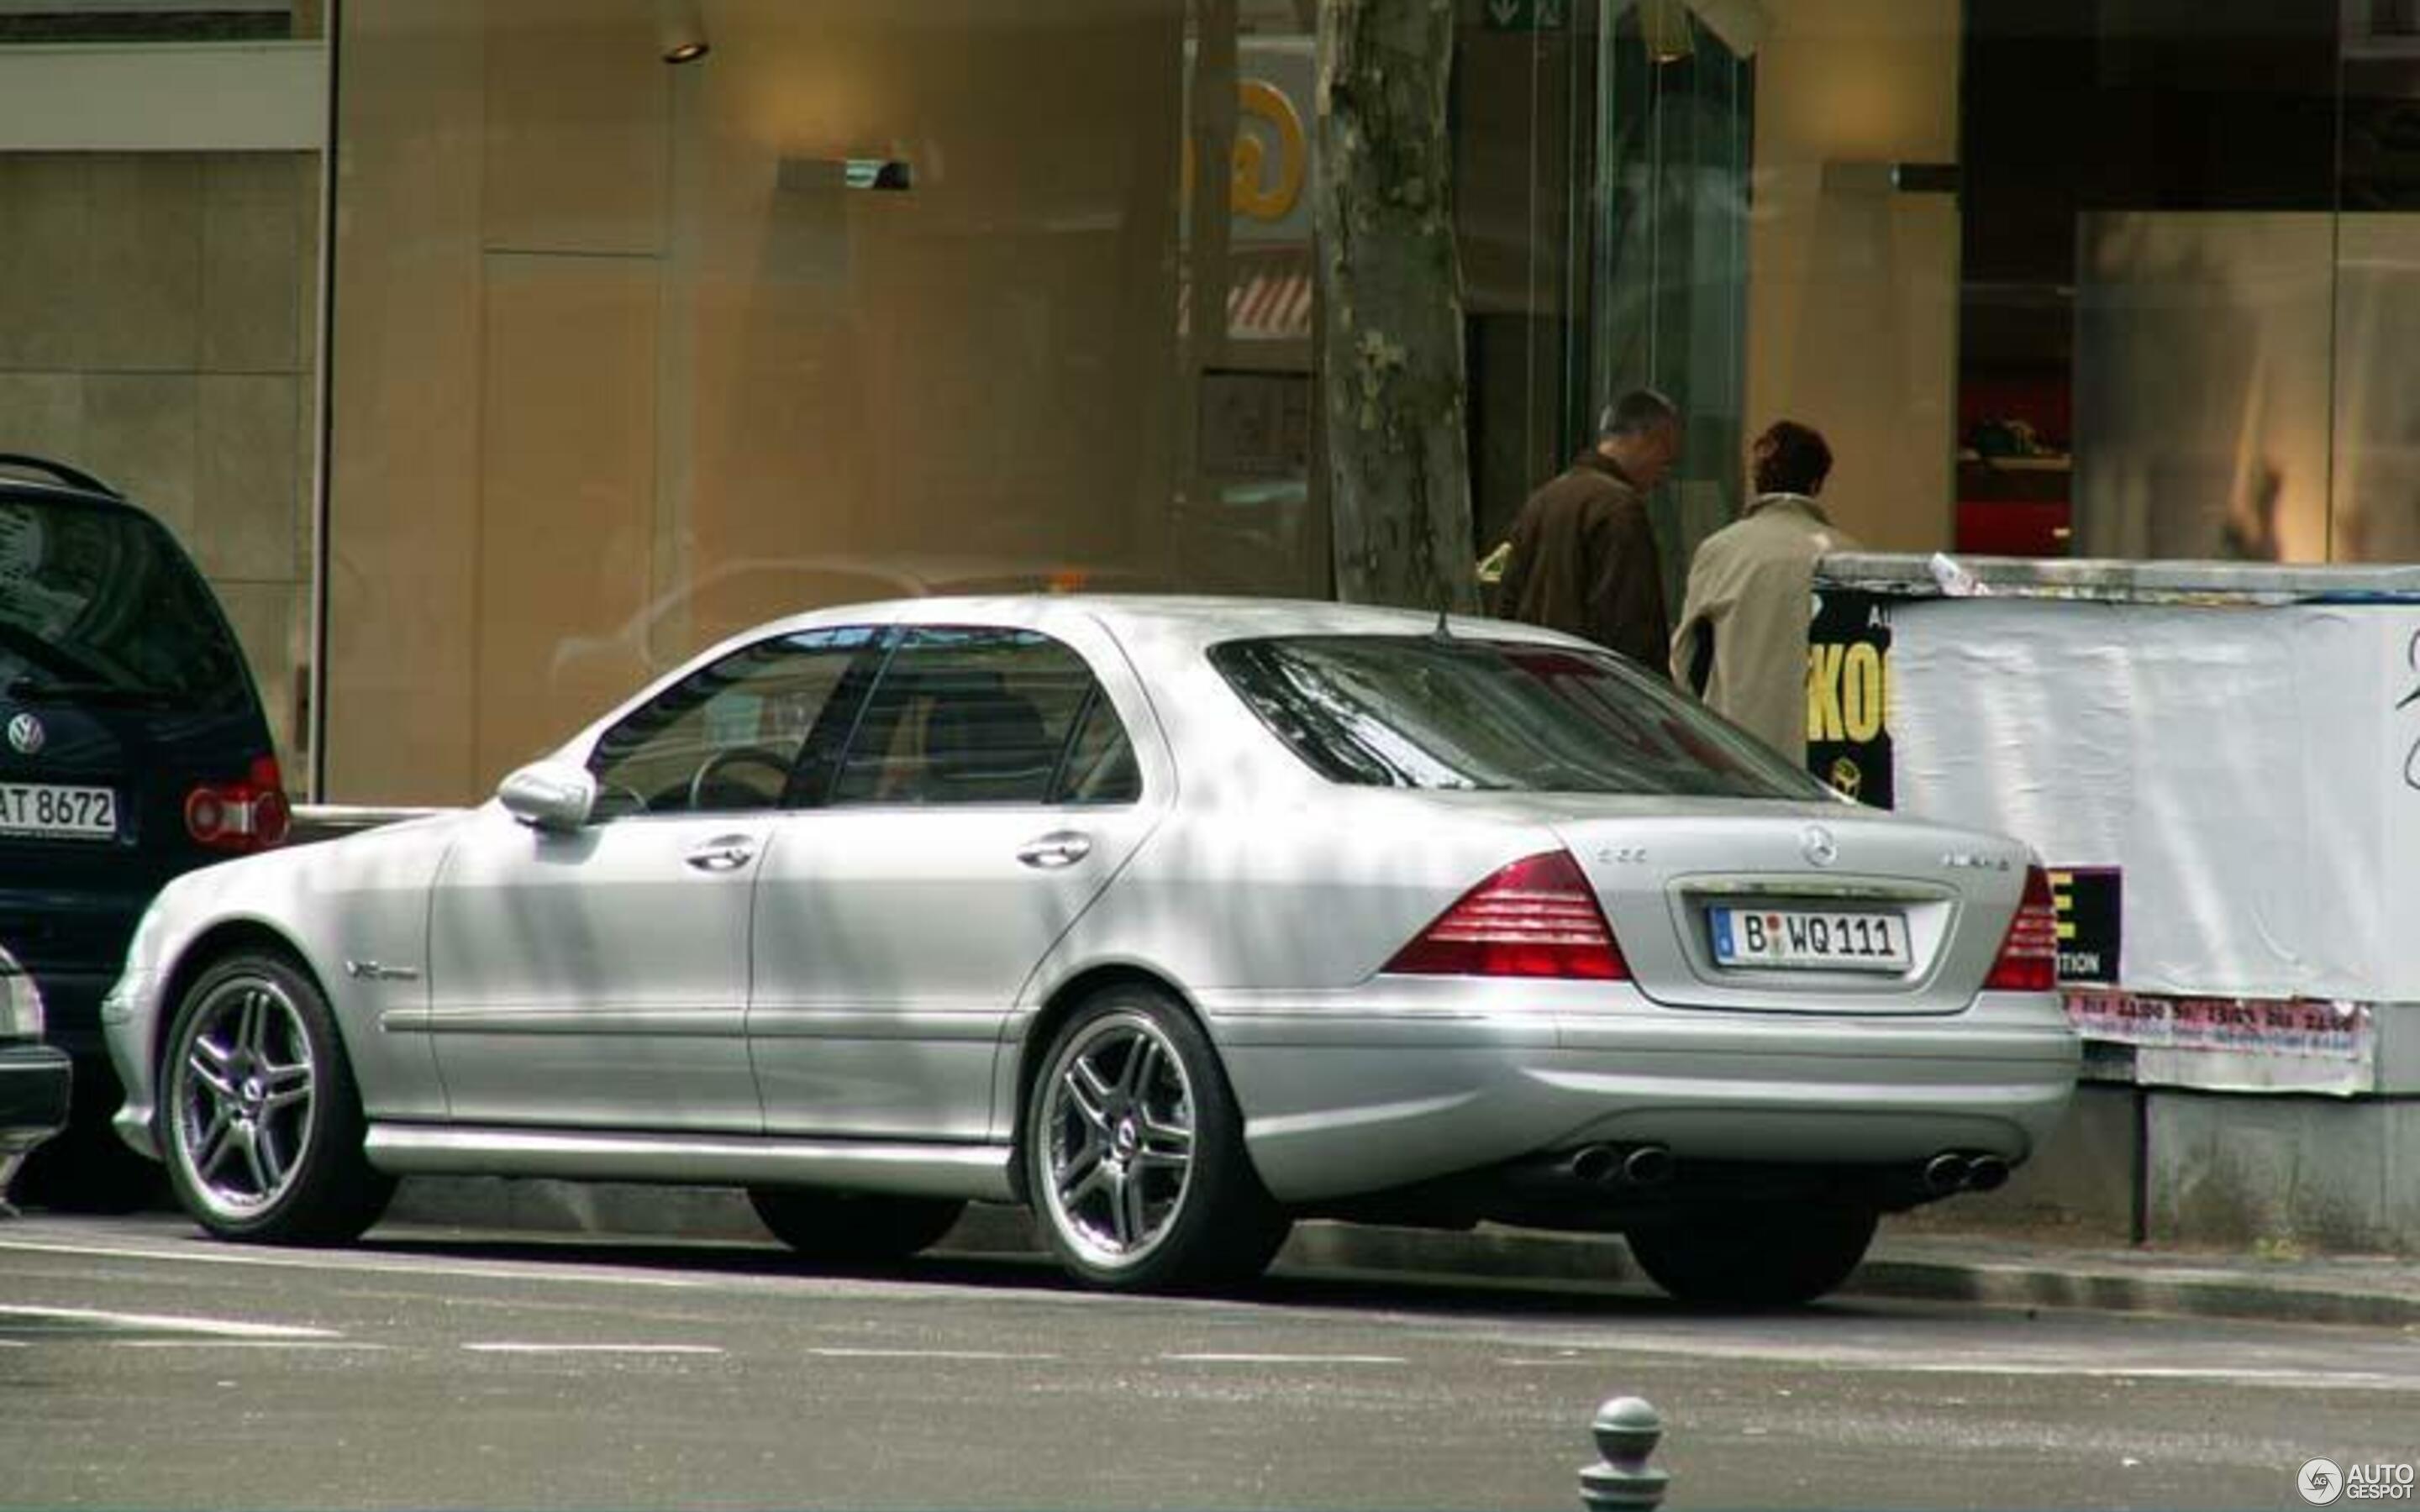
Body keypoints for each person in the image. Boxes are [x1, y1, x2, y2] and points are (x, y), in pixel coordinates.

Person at [1668, 419, 1859, 764]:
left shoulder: (1720, 550)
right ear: (1817, 483)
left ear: (1757, 481)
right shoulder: (1851, 557)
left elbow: (1685, 656)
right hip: (1824, 751)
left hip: (1738, 747)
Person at [1490, 389, 1682, 674]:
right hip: (1592, 686)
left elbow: (1508, 599)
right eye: (1665, 460)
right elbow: (1630, 620)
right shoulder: (1619, 508)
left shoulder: (1544, 498)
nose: (1661, 476)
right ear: (1645, 439)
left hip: (1532, 680)